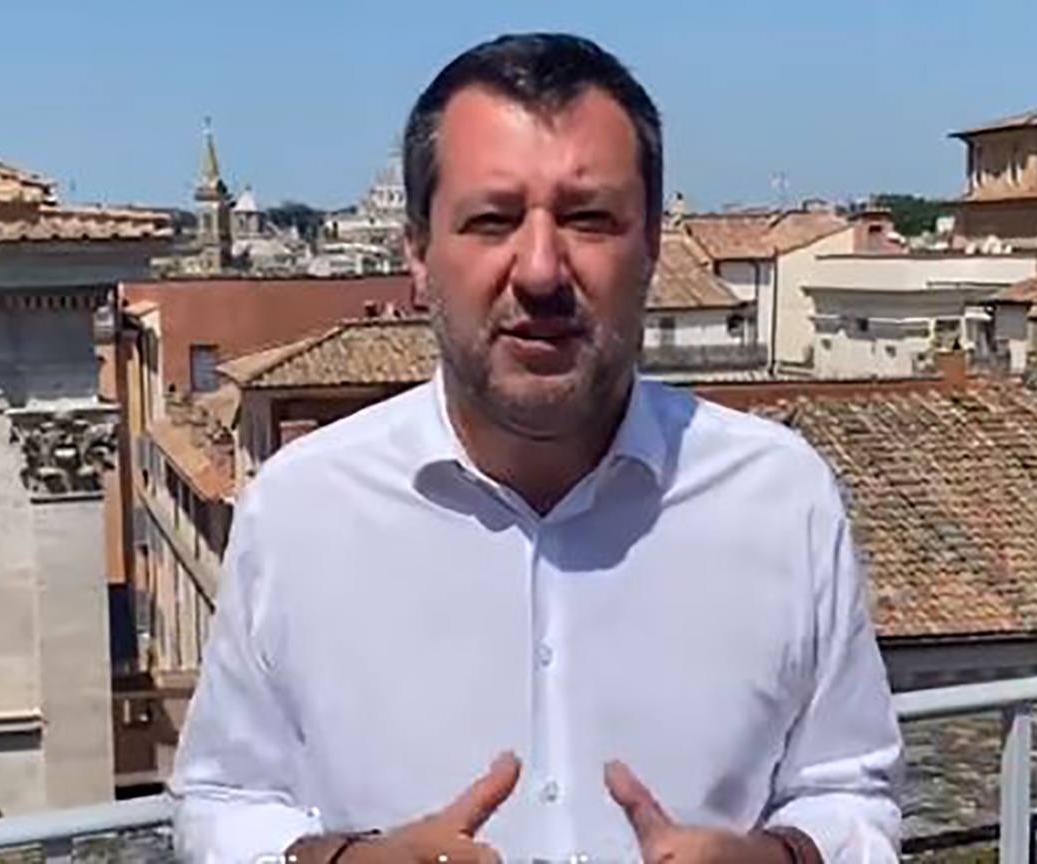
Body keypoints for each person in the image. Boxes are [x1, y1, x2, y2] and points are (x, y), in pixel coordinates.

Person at [171, 32, 902, 864]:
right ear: (417, 253)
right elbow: (223, 800)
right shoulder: (300, 509)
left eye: (589, 219)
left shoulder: (781, 497)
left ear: (652, 245)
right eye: (492, 220)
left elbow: (851, 793)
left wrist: (777, 860)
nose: (542, 270)